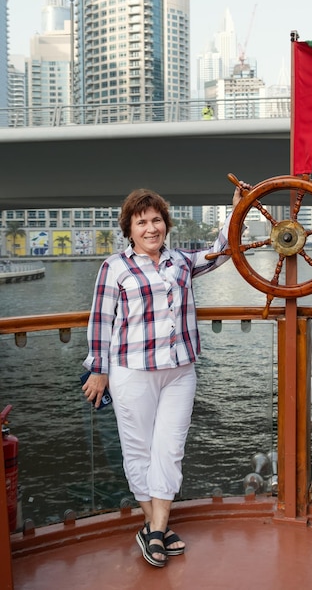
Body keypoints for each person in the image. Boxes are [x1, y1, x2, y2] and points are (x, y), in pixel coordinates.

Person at [81, 184, 247, 568]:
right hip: (132, 371)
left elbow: (222, 251)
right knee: (138, 450)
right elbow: (101, 321)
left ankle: (154, 530)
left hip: (180, 371)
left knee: (170, 448)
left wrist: (238, 210)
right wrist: (99, 370)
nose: (151, 228)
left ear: (166, 225)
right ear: (130, 228)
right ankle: (158, 527)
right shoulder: (115, 268)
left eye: (157, 220)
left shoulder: (181, 262)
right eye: (142, 222)